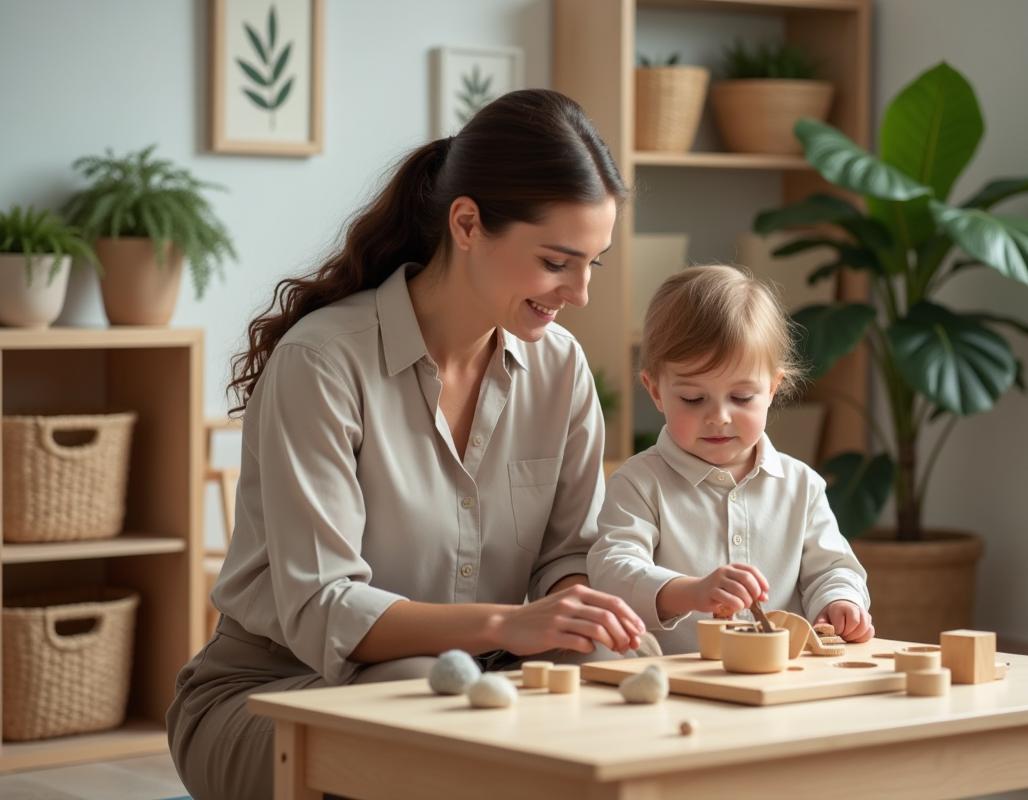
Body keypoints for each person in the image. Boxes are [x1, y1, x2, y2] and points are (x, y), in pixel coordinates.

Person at [167, 89, 648, 800]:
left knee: (607, 679)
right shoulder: (323, 362)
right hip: (278, 693)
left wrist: (579, 613)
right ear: (467, 223)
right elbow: (325, 606)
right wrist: (509, 624)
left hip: (478, 682)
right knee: (424, 698)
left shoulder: (560, 367)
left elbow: (567, 556)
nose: (578, 292)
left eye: (593, 265)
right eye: (556, 262)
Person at [587, 264, 873, 655]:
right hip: (677, 680)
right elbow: (613, 575)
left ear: (772, 389)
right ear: (655, 391)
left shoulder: (801, 486)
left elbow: (833, 568)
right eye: (693, 398)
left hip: (781, 677)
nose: (719, 416)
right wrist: (692, 592)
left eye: (741, 397)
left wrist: (840, 602)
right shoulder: (639, 483)